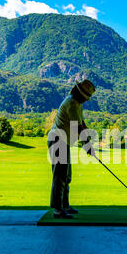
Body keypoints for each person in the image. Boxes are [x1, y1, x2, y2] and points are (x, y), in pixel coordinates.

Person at [47, 79, 96, 218]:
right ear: (79, 93)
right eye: (85, 97)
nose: (86, 100)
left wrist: (88, 141)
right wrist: (87, 146)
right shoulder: (72, 104)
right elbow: (78, 128)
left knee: (66, 176)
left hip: (64, 141)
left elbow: (82, 123)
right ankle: (58, 210)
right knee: (60, 176)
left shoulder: (78, 103)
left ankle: (65, 205)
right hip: (58, 140)